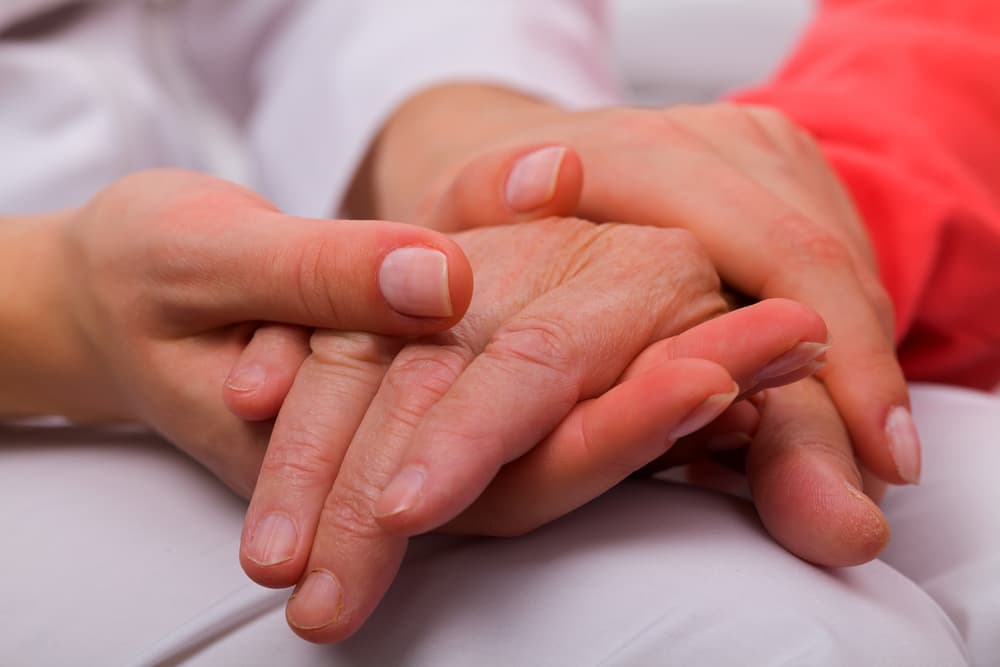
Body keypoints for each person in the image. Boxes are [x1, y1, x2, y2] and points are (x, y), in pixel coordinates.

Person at [1, 0, 998, 664]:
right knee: (764, 634)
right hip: (67, 343)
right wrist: (56, 308)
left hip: (206, 258)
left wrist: (480, 150)